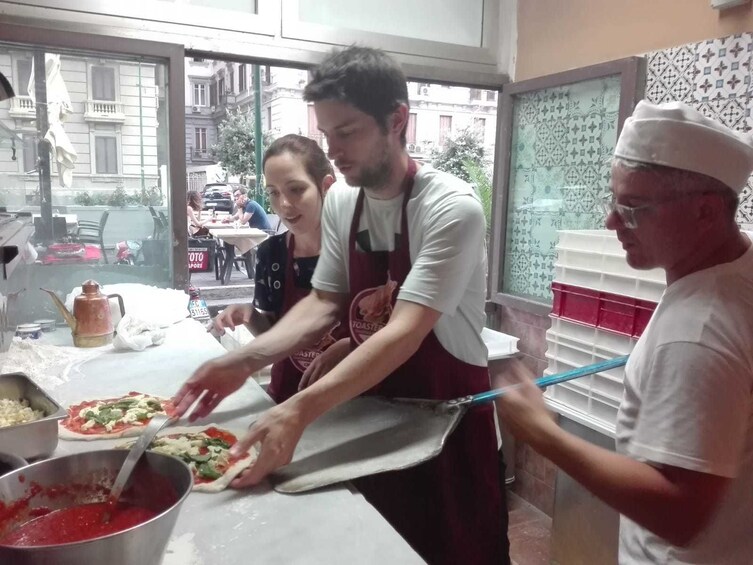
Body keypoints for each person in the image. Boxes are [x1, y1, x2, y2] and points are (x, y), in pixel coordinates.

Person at [174, 46, 509, 565]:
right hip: (369, 423)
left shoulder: (450, 209)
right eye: (327, 134)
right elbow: (324, 304)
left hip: (446, 431)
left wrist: (297, 411)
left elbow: (406, 330)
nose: (334, 151)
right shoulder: (346, 203)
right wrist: (242, 361)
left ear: (397, 120)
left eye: (347, 132)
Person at [493, 100, 753, 564]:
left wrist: (541, 433)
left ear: (706, 212)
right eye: (614, 202)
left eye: (633, 208)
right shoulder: (738, 272)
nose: (612, 223)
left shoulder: (699, 329)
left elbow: (680, 515)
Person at [211, 134, 350, 403]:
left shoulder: (360, 251)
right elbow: (276, 337)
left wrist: (351, 346)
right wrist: (250, 316)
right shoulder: (271, 253)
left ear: (326, 186)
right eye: (274, 192)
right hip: (286, 398)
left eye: (296, 189)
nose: (284, 204)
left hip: (349, 405)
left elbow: (388, 331)